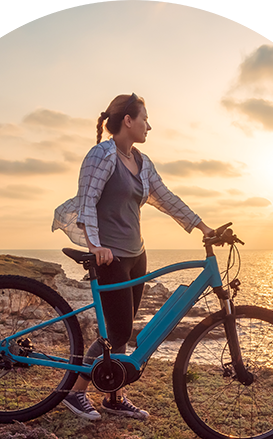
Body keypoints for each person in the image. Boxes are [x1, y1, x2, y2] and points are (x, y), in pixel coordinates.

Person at [52, 93, 214, 420]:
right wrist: (95, 246)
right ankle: (75, 393)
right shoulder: (101, 155)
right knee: (118, 332)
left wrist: (202, 226)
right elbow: (87, 204)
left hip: (136, 254)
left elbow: (165, 197)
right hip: (109, 257)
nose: (149, 126)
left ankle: (114, 397)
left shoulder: (142, 162)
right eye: (145, 119)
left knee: (121, 332)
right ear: (128, 120)